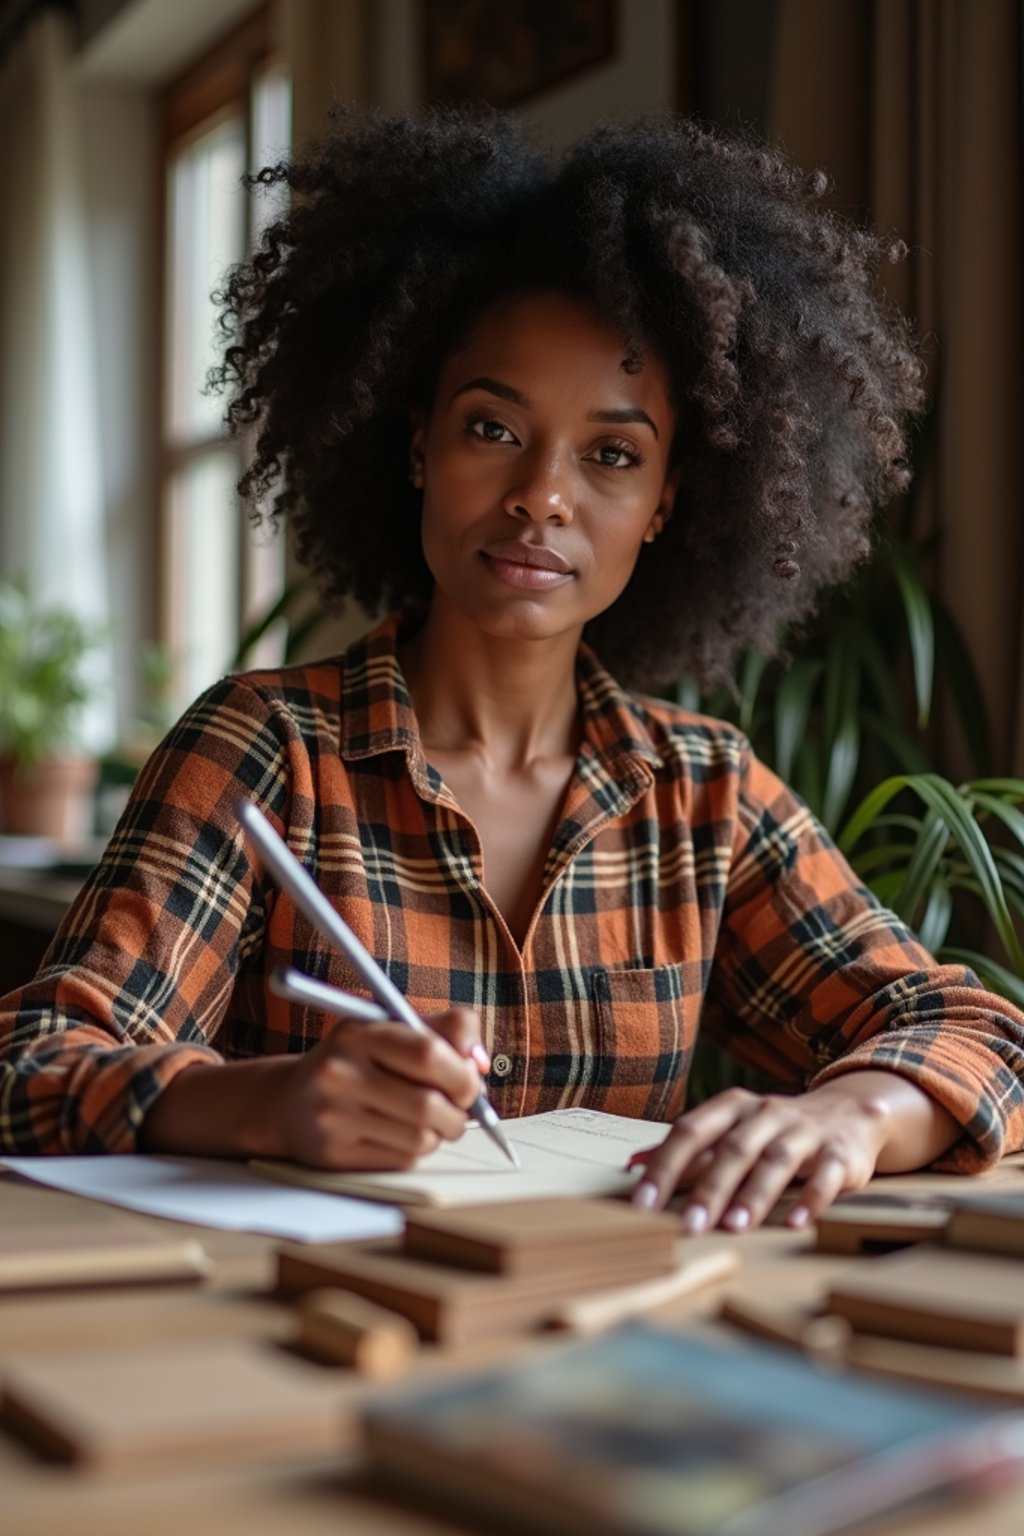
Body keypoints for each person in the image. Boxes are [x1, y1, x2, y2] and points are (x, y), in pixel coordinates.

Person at [2, 106, 1022, 1235]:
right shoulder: (266, 752)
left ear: (666, 504)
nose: (542, 494)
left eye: (612, 455)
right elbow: (32, 1063)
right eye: (493, 429)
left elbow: (981, 1037)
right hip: (308, 1341)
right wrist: (265, 1106)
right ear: (417, 444)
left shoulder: (705, 795)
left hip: (609, 1341)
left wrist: (858, 1115)